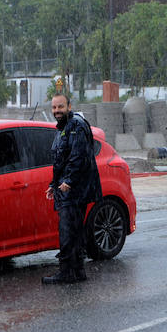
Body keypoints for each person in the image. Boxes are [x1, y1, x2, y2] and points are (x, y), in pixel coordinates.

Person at [43, 93, 102, 285]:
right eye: (54, 108)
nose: (56, 111)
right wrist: (54, 184)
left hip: (75, 190)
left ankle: (67, 271)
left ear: (69, 106)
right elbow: (60, 160)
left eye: (60, 107)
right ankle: (77, 271)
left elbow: (79, 155)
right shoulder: (64, 127)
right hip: (68, 189)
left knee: (68, 231)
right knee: (74, 230)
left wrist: (68, 181)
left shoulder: (76, 125)